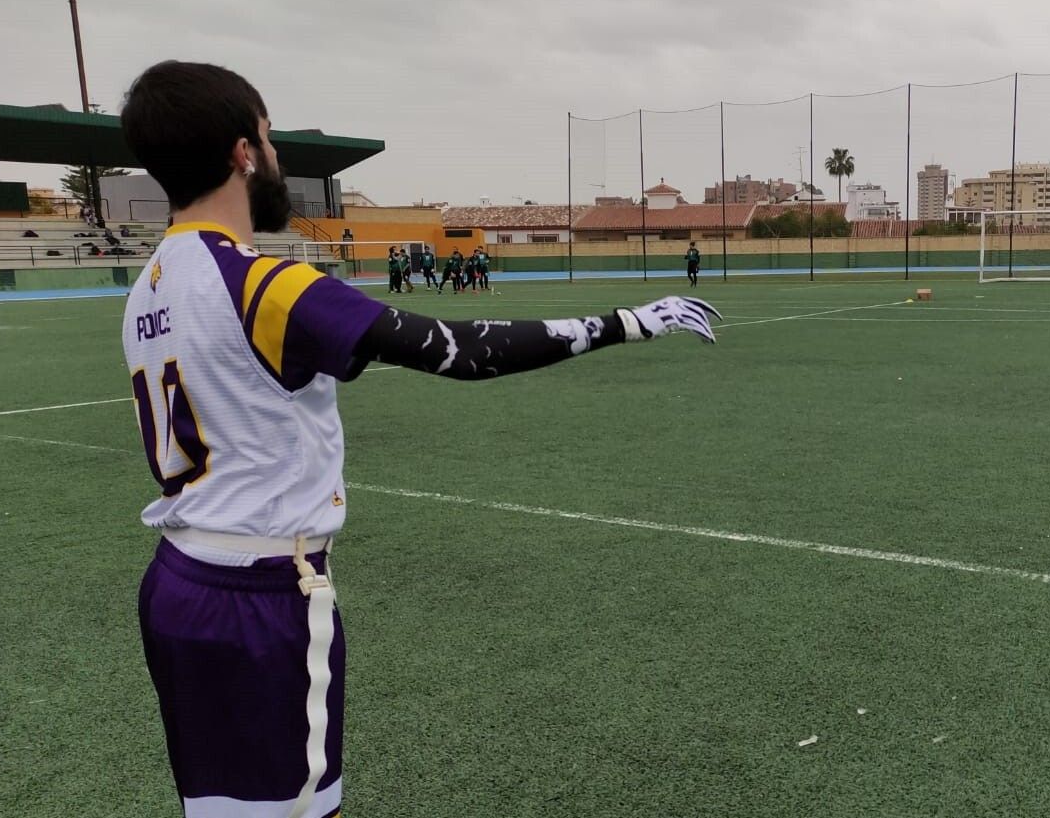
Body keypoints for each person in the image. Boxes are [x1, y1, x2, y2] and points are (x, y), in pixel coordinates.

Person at [118, 60, 720, 818]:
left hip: (176, 584)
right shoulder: (265, 283)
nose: (277, 158)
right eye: (270, 141)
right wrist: (626, 321)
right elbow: (458, 348)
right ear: (244, 151)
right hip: (258, 599)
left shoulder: (147, 287)